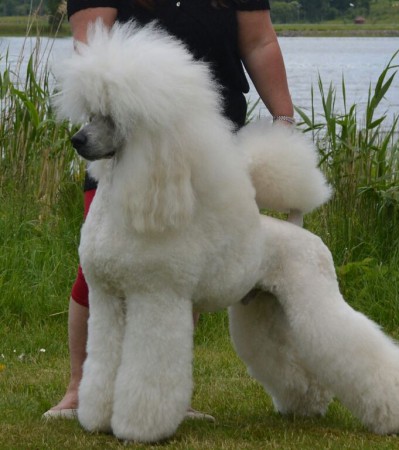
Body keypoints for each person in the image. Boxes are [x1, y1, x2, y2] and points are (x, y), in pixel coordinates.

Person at [43, 0, 295, 420]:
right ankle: (80, 389)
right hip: (126, 139)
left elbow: (259, 41)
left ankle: (164, 397)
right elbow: (92, 48)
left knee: (179, 270)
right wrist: (125, 96)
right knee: (97, 269)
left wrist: (283, 117)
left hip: (206, 141)